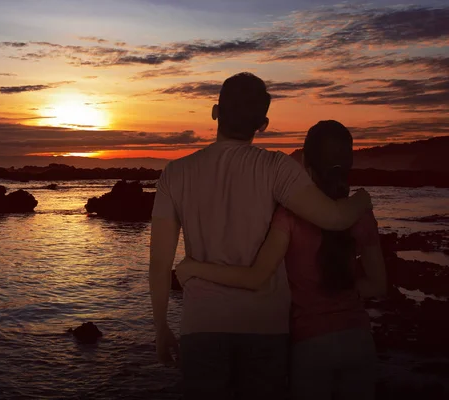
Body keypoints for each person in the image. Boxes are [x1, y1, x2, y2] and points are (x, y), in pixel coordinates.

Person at [149, 72, 373, 400]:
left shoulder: (175, 174)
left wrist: (160, 327)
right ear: (263, 124)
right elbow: (335, 219)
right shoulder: (276, 168)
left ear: (215, 112)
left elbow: (159, 263)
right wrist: (363, 199)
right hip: (265, 327)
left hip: (201, 326)